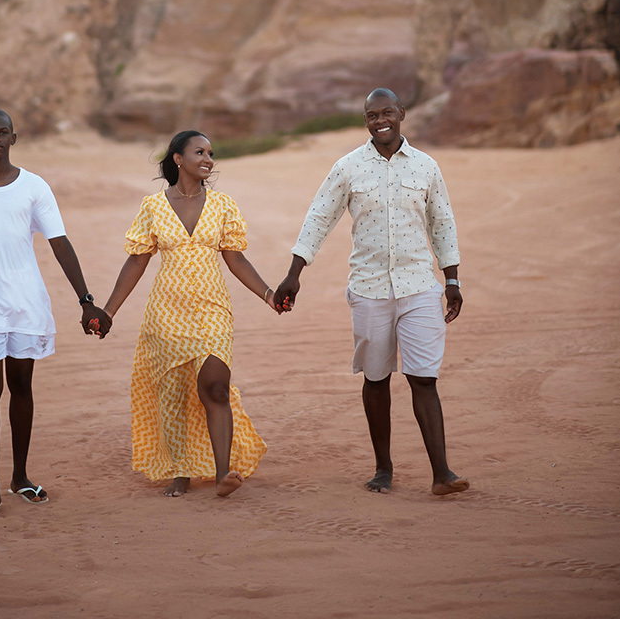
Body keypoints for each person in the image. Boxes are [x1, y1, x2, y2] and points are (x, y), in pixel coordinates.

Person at [274, 88, 469, 497]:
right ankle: (383, 468)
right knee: (377, 378)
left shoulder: (426, 167)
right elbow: (319, 217)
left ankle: (442, 473)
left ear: (402, 114)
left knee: (423, 379)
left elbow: (443, 224)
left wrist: (451, 280)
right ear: (365, 120)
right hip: (369, 289)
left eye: (386, 112)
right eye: (371, 114)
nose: (380, 120)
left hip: (419, 286)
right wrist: (295, 273)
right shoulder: (348, 167)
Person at [0, 108, 112, 516]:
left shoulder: (34, 187)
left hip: (26, 298)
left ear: (14, 139)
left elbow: (60, 244)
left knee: (21, 385)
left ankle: (20, 476)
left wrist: (85, 299)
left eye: (3, 132)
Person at [101, 130, 274, 498]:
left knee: (216, 387)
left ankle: (224, 471)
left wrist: (268, 295)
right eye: (199, 152)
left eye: (211, 153)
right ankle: (180, 470)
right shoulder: (153, 206)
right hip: (167, 312)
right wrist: (109, 310)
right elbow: (137, 261)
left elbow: (235, 257)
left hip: (212, 309)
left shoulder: (223, 204)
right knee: (174, 393)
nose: (208, 159)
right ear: (178, 158)